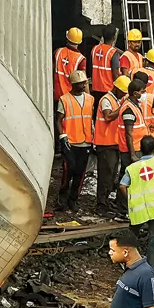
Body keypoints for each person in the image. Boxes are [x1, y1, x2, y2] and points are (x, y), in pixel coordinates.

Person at [121, 136, 154, 268]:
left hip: (138, 209)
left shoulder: (132, 168)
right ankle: (149, 268)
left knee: (131, 237)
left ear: (140, 149)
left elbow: (122, 185)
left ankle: (127, 262)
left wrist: (130, 199)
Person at [58, 70, 96, 210]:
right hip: (71, 141)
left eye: (85, 83)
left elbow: (90, 120)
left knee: (80, 174)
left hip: (85, 141)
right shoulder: (64, 99)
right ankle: (62, 199)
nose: (84, 85)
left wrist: (94, 137)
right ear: (74, 84)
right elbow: (59, 120)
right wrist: (63, 138)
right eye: (81, 83)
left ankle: (73, 200)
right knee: (68, 171)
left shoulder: (90, 99)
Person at [94, 75, 130, 217]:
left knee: (111, 176)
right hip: (105, 143)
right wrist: (122, 107)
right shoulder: (106, 100)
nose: (124, 94)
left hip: (114, 143)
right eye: (122, 92)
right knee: (105, 176)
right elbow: (108, 117)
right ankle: (101, 206)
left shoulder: (116, 100)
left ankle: (107, 203)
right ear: (116, 88)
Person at [55, 28, 88, 101]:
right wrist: (88, 98)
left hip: (56, 95)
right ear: (80, 42)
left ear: (67, 39)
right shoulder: (81, 59)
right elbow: (84, 81)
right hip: (70, 98)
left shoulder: (58, 52)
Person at [90, 32, 121, 102]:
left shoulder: (94, 49)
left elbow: (90, 68)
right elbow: (115, 74)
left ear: (103, 37)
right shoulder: (113, 52)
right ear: (114, 38)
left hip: (95, 88)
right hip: (108, 89)